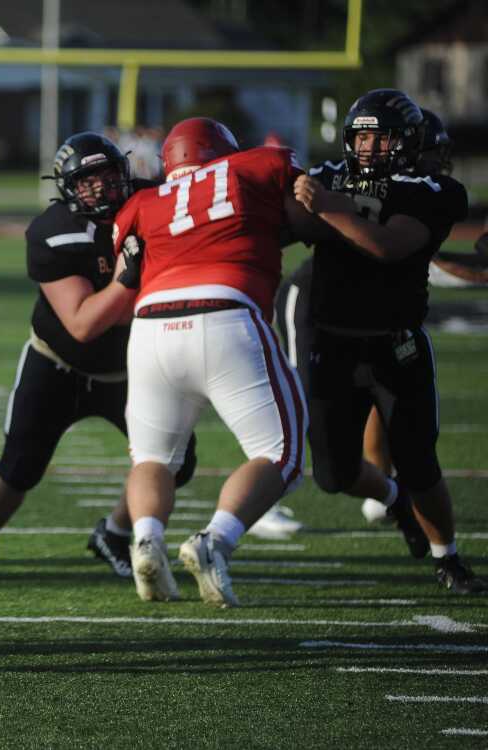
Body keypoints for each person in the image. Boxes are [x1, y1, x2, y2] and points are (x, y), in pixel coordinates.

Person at [0, 132, 196, 580]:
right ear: (67, 188)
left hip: (133, 365)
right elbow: (84, 324)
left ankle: (114, 531)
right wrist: (129, 278)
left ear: (126, 172)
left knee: (171, 459)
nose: (102, 188)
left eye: (108, 176)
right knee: (20, 465)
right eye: (87, 182)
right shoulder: (53, 231)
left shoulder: (156, 200)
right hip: (59, 363)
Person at [109, 117, 319, 606]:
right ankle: (215, 540)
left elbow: (127, 269)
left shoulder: (142, 203)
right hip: (226, 312)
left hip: (150, 325)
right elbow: (307, 217)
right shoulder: (258, 165)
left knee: (151, 457)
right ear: (225, 151)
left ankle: (146, 540)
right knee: (280, 453)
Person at [293, 88, 485, 594]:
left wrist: (328, 206)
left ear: (407, 141)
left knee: (420, 462)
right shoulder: (327, 174)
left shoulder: (431, 190)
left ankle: (449, 557)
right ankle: (395, 501)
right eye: (363, 137)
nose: (371, 148)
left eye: (382, 138)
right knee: (332, 475)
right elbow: (286, 224)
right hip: (332, 345)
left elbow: (388, 245)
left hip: (395, 347)